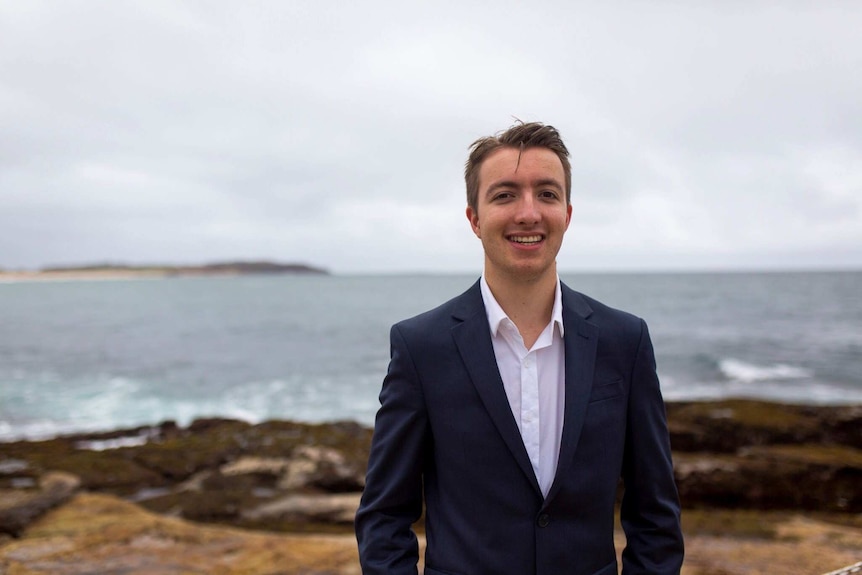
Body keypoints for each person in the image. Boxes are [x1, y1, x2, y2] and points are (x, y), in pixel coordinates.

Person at [355, 122, 684, 575]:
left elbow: (655, 515)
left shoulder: (624, 341)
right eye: (505, 194)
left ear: (567, 214)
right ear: (473, 218)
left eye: (546, 194)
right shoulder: (420, 347)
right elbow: (384, 516)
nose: (528, 213)